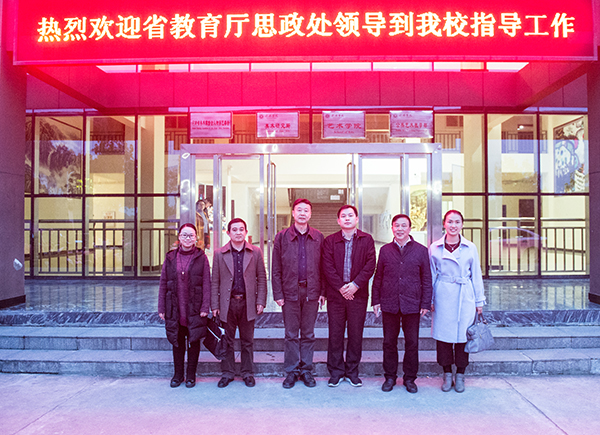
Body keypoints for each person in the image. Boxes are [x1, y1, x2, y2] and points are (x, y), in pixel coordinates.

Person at [372, 214, 432, 393]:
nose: (400, 229)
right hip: (389, 302)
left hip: (412, 303)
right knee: (389, 342)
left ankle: (410, 378)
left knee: (412, 343)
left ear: (410, 228)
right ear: (392, 228)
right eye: (396, 225)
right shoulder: (385, 250)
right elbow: (378, 276)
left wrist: (425, 303)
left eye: (403, 225)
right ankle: (390, 377)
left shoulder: (421, 250)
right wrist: (375, 300)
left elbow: (427, 278)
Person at [430, 210, 486, 393]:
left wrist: (479, 301)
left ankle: (460, 374)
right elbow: (431, 275)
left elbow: (476, 274)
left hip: (464, 294)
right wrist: (429, 299)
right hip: (443, 294)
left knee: (464, 336)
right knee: (443, 338)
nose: (453, 225)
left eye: (457, 222)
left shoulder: (470, 247)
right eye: (450, 222)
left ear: (462, 224)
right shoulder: (435, 247)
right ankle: (447, 373)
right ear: (444, 224)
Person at [272, 198, 325, 389]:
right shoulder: (281, 237)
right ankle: (292, 371)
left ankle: (306, 370)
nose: (303, 213)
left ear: (310, 214)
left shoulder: (318, 237)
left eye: (306, 210)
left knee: (308, 333)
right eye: (299, 210)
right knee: (291, 334)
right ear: (293, 213)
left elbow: (324, 266)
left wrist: (323, 292)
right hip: (289, 292)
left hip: (312, 292)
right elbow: (275, 268)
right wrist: (278, 293)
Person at [321, 205, 376, 387]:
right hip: (336, 295)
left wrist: (354, 285)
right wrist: (341, 287)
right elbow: (327, 266)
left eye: (350, 215)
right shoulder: (330, 241)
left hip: (357, 295)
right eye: (343, 216)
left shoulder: (367, 240)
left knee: (355, 334)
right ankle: (336, 372)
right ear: (338, 221)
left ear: (357, 219)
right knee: (335, 334)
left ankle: (352, 371)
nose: (347, 218)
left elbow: (370, 264)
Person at [211, 218, 267, 388]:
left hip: (247, 303)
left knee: (247, 341)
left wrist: (261, 301)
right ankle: (227, 373)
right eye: (234, 230)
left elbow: (262, 278)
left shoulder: (255, 252)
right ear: (228, 233)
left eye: (241, 229)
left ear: (246, 232)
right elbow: (215, 281)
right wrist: (215, 305)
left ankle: (247, 373)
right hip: (227, 304)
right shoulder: (219, 254)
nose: (238, 232)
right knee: (227, 340)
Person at [158, 223, 210, 389]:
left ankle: (191, 376)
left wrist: (205, 306)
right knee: (177, 342)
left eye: (191, 235)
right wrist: (161, 307)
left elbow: (207, 283)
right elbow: (163, 282)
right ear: (179, 237)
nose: (188, 238)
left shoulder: (201, 257)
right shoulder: (170, 258)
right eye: (184, 235)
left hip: (194, 308)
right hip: (175, 307)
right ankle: (178, 375)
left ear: (196, 238)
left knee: (194, 342)